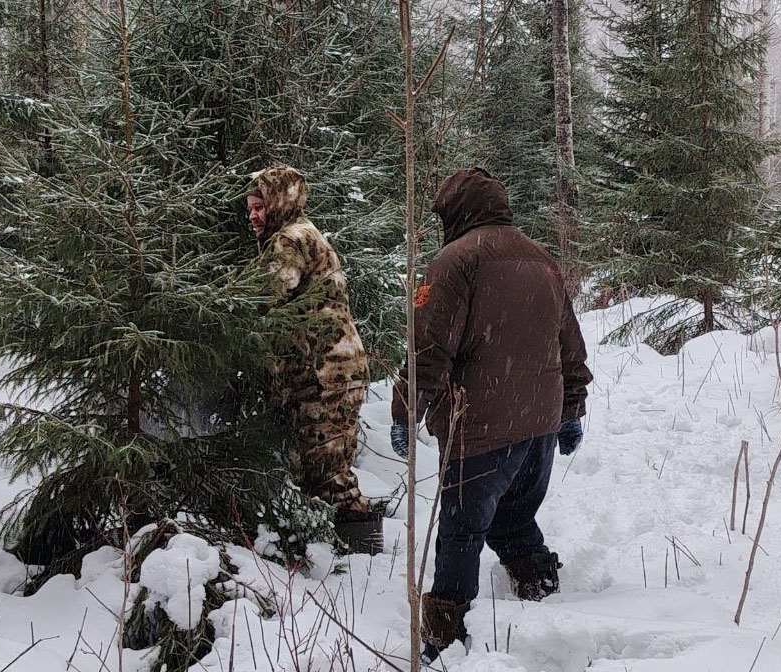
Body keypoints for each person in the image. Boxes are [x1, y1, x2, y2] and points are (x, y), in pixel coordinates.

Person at [389, 168, 593, 660]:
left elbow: (428, 351)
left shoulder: (454, 262)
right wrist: (570, 410)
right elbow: (570, 343)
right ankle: (540, 590)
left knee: (461, 534)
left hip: (478, 431)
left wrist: (405, 411)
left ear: (455, 211)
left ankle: (443, 640)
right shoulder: (542, 258)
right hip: (538, 427)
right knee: (515, 519)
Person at [246, 165, 382, 554]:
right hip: (337, 370)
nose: (253, 215)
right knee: (327, 470)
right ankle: (347, 553)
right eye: (250, 208)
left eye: (259, 207)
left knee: (328, 476)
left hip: (324, 375)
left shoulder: (289, 240)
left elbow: (265, 300)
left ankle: (360, 562)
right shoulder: (306, 233)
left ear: (278, 203)